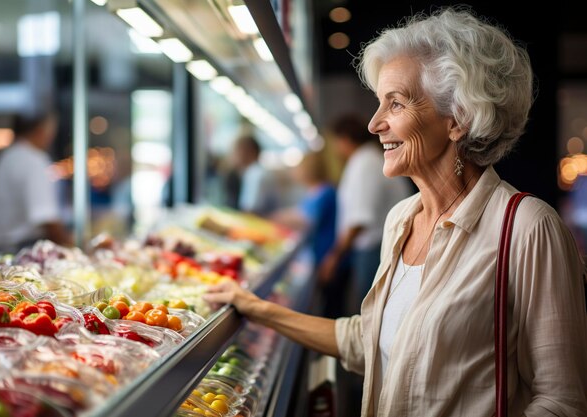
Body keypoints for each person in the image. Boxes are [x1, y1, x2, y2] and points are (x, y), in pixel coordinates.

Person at [204, 8, 587, 417]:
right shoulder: (401, 219)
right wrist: (257, 307)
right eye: (378, 103)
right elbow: (368, 341)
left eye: (396, 104)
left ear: (457, 119)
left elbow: (561, 402)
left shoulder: (529, 229)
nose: (373, 124)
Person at [319, 114, 411, 311]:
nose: (334, 148)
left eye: (335, 141)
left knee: (371, 310)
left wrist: (334, 256)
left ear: (344, 139)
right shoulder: (366, 159)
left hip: (374, 247)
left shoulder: (365, 163)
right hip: (375, 245)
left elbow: (360, 219)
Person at [0, 112, 72, 252]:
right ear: (41, 130)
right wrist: (72, 247)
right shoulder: (34, 161)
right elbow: (46, 219)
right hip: (18, 256)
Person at [271, 152, 337, 266]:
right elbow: (299, 211)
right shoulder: (314, 191)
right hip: (316, 252)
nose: (296, 172)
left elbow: (306, 220)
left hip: (325, 255)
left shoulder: (325, 192)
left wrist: (273, 217)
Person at [233, 135, 278, 216]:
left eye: (237, 150)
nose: (234, 155)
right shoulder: (253, 171)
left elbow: (251, 211)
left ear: (249, 152)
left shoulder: (256, 174)